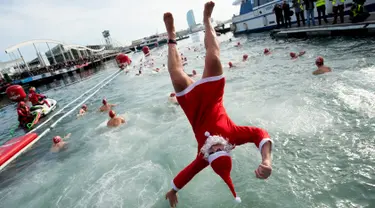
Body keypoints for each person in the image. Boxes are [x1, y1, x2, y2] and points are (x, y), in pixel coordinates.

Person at [163, 2, 273, 207]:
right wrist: (266, 160)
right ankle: (207, 21)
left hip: (192, 106)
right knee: (213, 57)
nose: (213, 148)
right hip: (213, 96)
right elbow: (261, 134)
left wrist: (172, 191)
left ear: (208, 157)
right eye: (218, 149)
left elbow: (186, 175)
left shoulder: (203, 157)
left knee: (175, 74)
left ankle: (171, 36)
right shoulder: (233, 136)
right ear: (227, 148)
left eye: (211, 153)